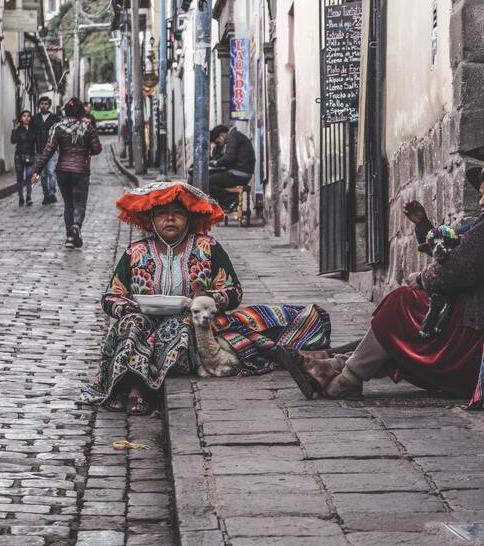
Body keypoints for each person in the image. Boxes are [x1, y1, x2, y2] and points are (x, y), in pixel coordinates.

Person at [82, 181, 332, 415]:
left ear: (189, 218)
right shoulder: (134, 253)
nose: (170, 218)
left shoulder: (207, 248)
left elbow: (233, 292)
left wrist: (208, 297)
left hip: (188, 320)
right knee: (132, 326)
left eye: (177, 213)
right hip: (143, 318)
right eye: (162, 214)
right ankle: (123, 386)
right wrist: (130, 307)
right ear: (151, 220)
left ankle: (141, 389)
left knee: (178, 328)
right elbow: (110, 297)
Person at [280, 166, 484, 409]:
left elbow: (459, 267)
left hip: (473, 331)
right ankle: (333, 368)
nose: (480, 200)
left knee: (402, 305)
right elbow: (451, 244)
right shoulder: (478, 224)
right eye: (480, 194)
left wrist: (423, 279)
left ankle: (344, 377)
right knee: (403, 316)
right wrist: (423, 226)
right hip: (465, 317)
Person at [31, 96, 102, 249]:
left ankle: (70, 238)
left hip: (62, 170)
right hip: (81, 171)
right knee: (80, 203)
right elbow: (97, 149)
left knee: (68, 204)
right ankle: (76, 226)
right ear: (81, 111)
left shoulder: (58, 127)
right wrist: (86, 147)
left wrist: (37, 170)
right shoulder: (88, 128)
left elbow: (48, 150)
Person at [208, 124, 256, 210]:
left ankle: (231, 199)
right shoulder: (235, 136)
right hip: (241, 173)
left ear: (221, 135)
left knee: (207, 182)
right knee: (212, 180)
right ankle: (227, 201)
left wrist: (216, 163)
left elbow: (230, 157)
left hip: (239, 174)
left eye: (218, 141)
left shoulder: (231, 137)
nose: (220, 144)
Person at [32, 95, 59, 205]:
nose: (44, 106)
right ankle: (46, 194)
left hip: (51, 150)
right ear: (39, 105)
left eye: (46, 104)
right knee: (42, 174)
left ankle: (52, 193)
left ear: (49, 105)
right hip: (39, 150)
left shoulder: (55, 118)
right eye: (42, 104)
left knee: (51, 172)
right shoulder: (35, 119)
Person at [11, 110, 37, 207]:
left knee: (29, 177)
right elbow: (13, 141)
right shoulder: (18, 128)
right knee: (20, 178)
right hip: (19, 156)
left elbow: (36, 141)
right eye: (24, 116)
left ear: (30, 118)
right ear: (21, 118)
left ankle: (29, 197)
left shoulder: (33, 129)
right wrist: (14, 129)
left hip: (30, 156)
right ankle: (21, 198)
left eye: (28, 116)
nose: (26, 118)